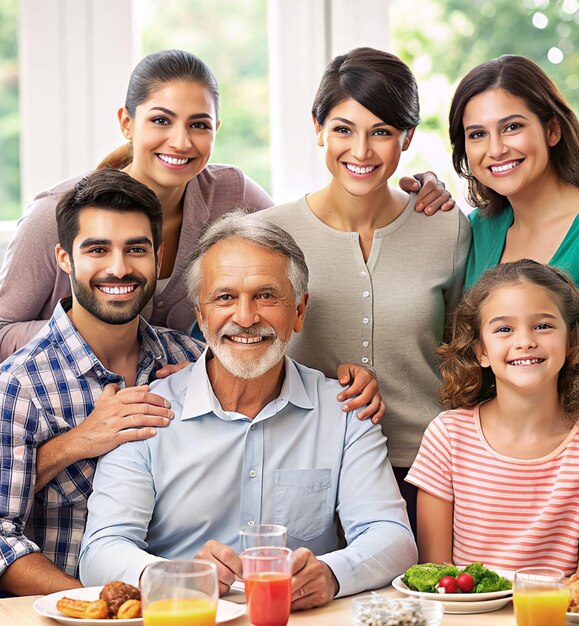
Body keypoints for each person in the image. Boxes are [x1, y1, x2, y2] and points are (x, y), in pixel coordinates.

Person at [0, 49, 451, 365]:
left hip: (170, 421)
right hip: (60, 404)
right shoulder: (59, 213)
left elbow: (308, 234)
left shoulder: (230, 195)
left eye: (198, 124)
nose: (180, 141)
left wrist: (420, 190)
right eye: (160, 120)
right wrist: (104, 336)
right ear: (126, 123)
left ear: (216, 129)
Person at [78, 212, 417, 609]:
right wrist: (175, 576)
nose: (245, 317)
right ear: (201, 316)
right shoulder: (146, 412)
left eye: (266, 295)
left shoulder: (345, 412)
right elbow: (101, 548)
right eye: (225, 297)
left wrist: (332, 575)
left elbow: (392, 537)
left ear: (299, 311)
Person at [253, 47, 470, 532]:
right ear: (318, 130)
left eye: (383, 132)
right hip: (305, 465)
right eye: (344, 129)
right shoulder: (268, 234)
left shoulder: (446, 228)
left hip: (428, 469)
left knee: (427, 607)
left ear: (408, 137)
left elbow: (464, 354)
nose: (362, 151)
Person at [0, 169, 202, 596]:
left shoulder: (191, 361)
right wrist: (99, 609)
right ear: (64, 258)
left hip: (189, 607)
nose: (119, 268)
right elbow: (1, 538)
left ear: (159, 257)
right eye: (97, 249)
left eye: (136, 249)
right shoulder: (18, 387)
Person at [406, 259, 579, 579]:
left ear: (572, 342)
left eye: (543, 326)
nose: (525, 341)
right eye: (504, 329)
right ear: (481, 350)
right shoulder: (447, 436)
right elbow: (437, 578)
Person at [448, 54, 579, 439]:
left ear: (552, 131)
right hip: (506, 469)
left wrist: (557, 324)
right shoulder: (477, 229)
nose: (495, 149)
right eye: (476, 134)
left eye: (511, 127)